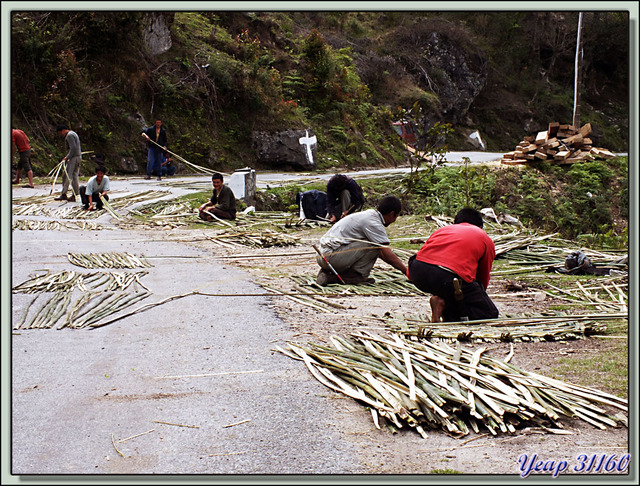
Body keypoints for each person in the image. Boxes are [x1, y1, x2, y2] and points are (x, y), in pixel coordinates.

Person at [408, 207, 499, 323]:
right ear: (480, 227)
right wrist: (478, 296)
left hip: (417, 271)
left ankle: (440, 301)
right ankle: (443, 303)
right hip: (447, 277)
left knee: (451, 292)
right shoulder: (484, 237)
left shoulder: (443, 230)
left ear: (455, 223)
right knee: (489, 313)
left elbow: (425, 253)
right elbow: (483, 276)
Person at [315, 195, 407, 285]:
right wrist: (406, 271)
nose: (394, 220)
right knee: (373, 245)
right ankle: (354, 276)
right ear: (392, 214)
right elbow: (387, 255)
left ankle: (328, 274)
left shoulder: (369, 215)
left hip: (322, 255)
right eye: (396, 216)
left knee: (375, 245)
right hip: (331, 257)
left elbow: (384, 255)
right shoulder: (374, 223)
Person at [54, 125, 82, 202]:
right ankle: (75, 194)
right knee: (74, 176)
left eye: (60, 133)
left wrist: (67, 157)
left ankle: (64, 194)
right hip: (78, 156)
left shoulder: (69, 135)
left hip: (74, 157)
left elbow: (73, 148)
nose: (61, 134)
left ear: (63, 130)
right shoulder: (73, 133)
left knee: (67, 175)